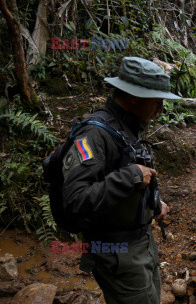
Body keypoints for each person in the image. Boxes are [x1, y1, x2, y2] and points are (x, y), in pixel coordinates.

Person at [61, 56, 181, 303]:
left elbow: (126, 176)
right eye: (157, 101)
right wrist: (132, 176)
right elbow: (75, 200)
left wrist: (154, 204)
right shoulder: (94, 135)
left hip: (141, 243)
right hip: (116, 251)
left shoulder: (127, 126)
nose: (160, 110)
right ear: (135, 97)